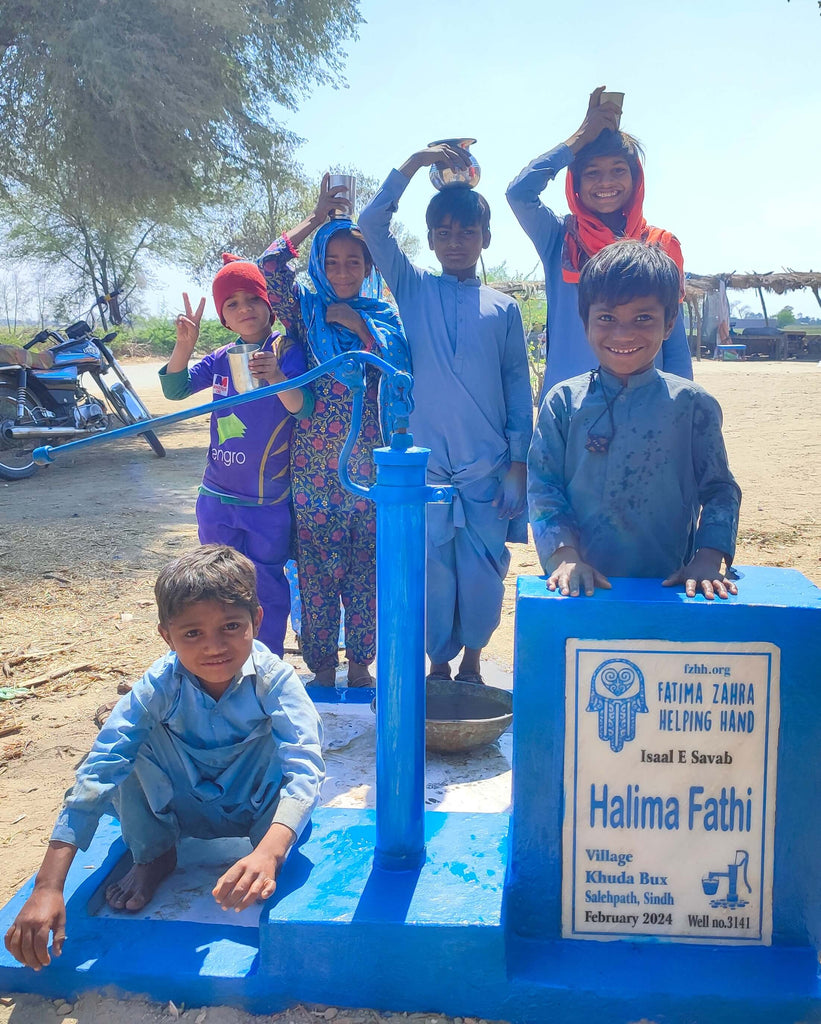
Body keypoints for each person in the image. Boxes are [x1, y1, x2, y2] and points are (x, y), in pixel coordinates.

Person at [4, 545, 325, 971]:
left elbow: (305, 767)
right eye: (192, 634)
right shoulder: (159, 685)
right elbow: (102, 766)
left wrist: (270, 850)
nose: (214, 647)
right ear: (167, 637)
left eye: (231, 626)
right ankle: (154, 853)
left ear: (257, 622)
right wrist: (47, 886)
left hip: (255, 808)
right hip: (180, 807)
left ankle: (266, 853)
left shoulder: (275, 680)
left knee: (292, 763)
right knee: (121, 747)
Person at [358, 146, 533, 684]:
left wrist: (518, 464)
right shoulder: (412, 289)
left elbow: (516, 386)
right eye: (446, 233)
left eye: (469, 232)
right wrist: (411, 163)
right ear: (431, 240)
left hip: (487, 471)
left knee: (483, 572)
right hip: (428, 471)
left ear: (486, 238)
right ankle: (438, 663)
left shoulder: (504, 308)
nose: (457, 242)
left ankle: (476, 661)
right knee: (432, 571)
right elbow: (371, 223)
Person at [527, 240, 741, 601]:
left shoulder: (692, 405)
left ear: (670, 322)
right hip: (582, 589)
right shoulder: (563, 402)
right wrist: (564, 557)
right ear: (586, 322)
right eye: (607, 318)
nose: (623, 333)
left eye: (643, 318)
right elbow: (544, 488)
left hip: (670, 588)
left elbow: (720, 490)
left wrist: (708, 558)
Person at [259, 177, 410, 687]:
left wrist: (358, 326)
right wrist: (316, 219)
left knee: (367, 569)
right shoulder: (304, 310)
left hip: (372, 464)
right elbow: (270, 267)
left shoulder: (384, 315)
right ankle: (322, 667)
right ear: (319, 264)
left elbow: (400, 378)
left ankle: (361, 665)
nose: (342, 272)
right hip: (316, 468)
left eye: (353, 263)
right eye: (331, 261)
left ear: (368, 269)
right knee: (319, 571)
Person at [159, 257, 313, 657]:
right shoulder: (221, 358)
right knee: (215, 585)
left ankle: (266, 664)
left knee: (266, 586)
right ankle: (224, 662)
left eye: (252, 299)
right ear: (224, 316)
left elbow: (302, 408)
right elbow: (175, 390)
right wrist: (183, 347)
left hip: (268, 503)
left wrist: (277, 376)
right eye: (232, 304)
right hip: (217, 499)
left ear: (270, 304)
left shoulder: (287, 351)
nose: (244, 309)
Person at [507, 86, 693, 398]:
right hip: (568, 413)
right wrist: (579, 138)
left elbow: (675, 349)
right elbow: (519, 193)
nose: (606, 182)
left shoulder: (659, 247)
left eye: (618, 171)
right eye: (592, 173)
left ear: (636, 180)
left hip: (645, 409)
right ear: (575, 184)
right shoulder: (559, 239)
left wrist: (681, 411)